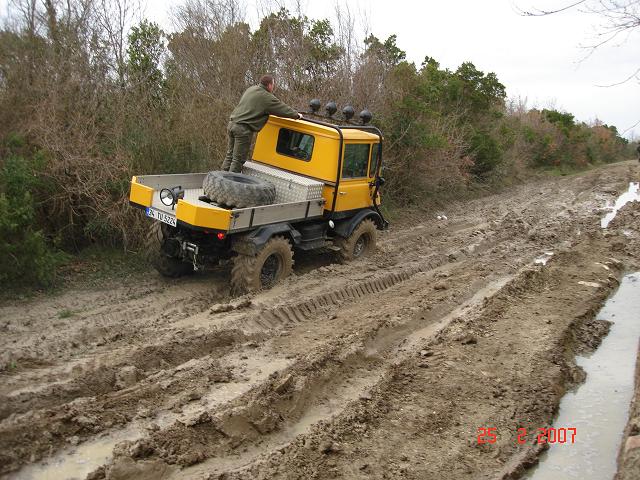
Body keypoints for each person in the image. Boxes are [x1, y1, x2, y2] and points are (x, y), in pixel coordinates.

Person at [221, 75, 302, 173]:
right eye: (273, 85)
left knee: (229, 155)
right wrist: (297, 115)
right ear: (269, 85)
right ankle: (230, 183)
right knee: (238, 159)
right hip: (243, 129)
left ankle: (221, 178)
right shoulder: (266, 97)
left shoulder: (251, 89)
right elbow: (282, 109)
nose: (273, 87)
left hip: (232, 124)